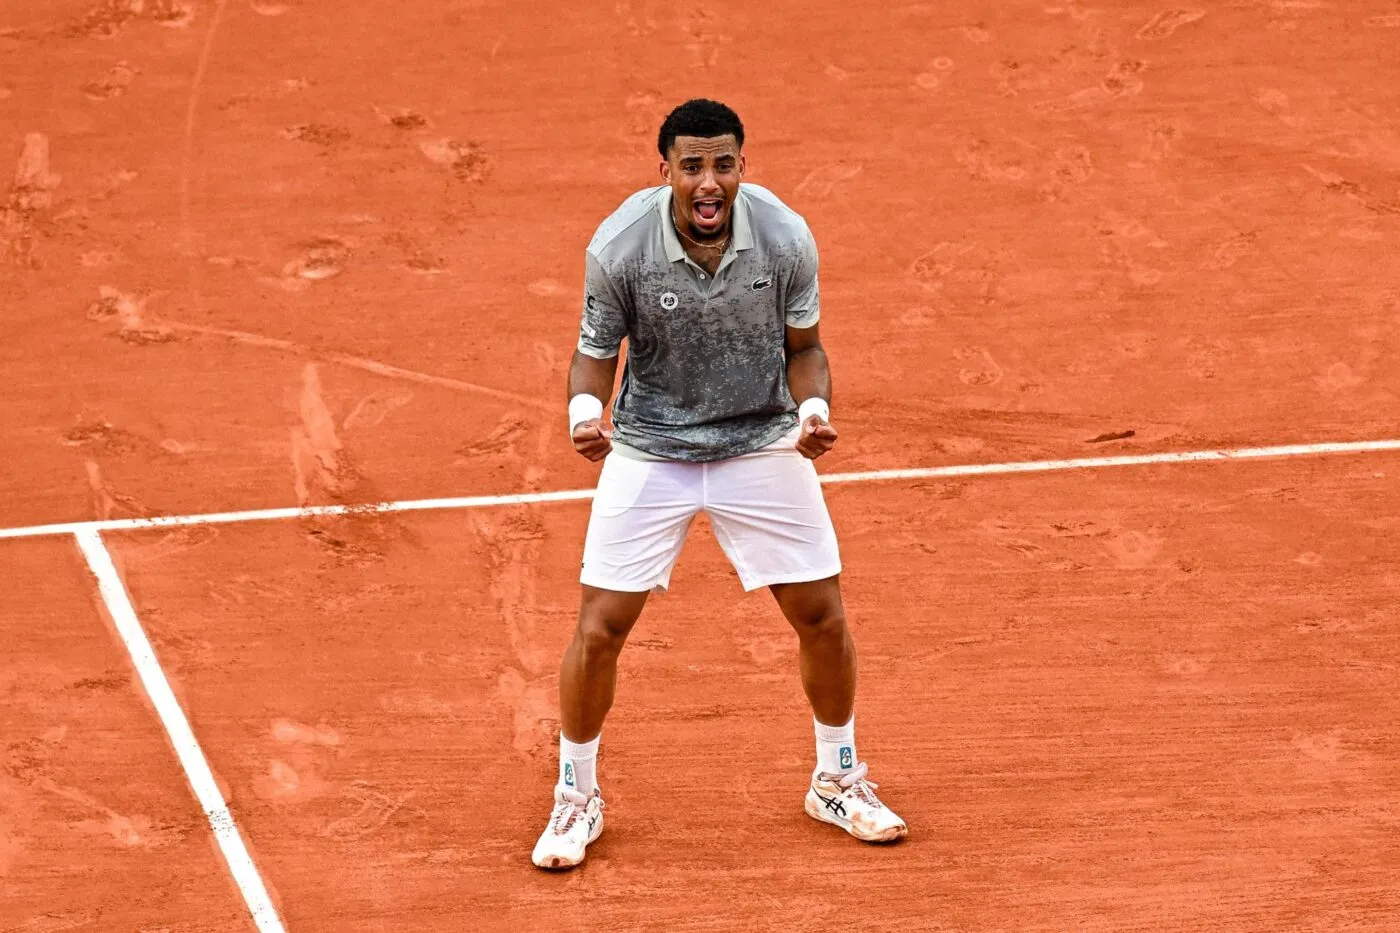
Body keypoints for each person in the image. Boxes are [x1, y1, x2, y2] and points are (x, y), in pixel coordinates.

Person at [531, 98, 906, 870]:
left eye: (723, 165)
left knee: (822, 615)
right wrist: (584, 413)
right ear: (665, 169)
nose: (709, 182)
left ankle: (836, 779)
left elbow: (805, 348)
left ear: (742, 166)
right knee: (600, 627)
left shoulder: (784, 236)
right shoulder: (620, 246)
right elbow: (596, 352)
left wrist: (812, 409)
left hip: (760, 438)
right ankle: (576, 793)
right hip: (651, 449)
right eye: (693, 166)